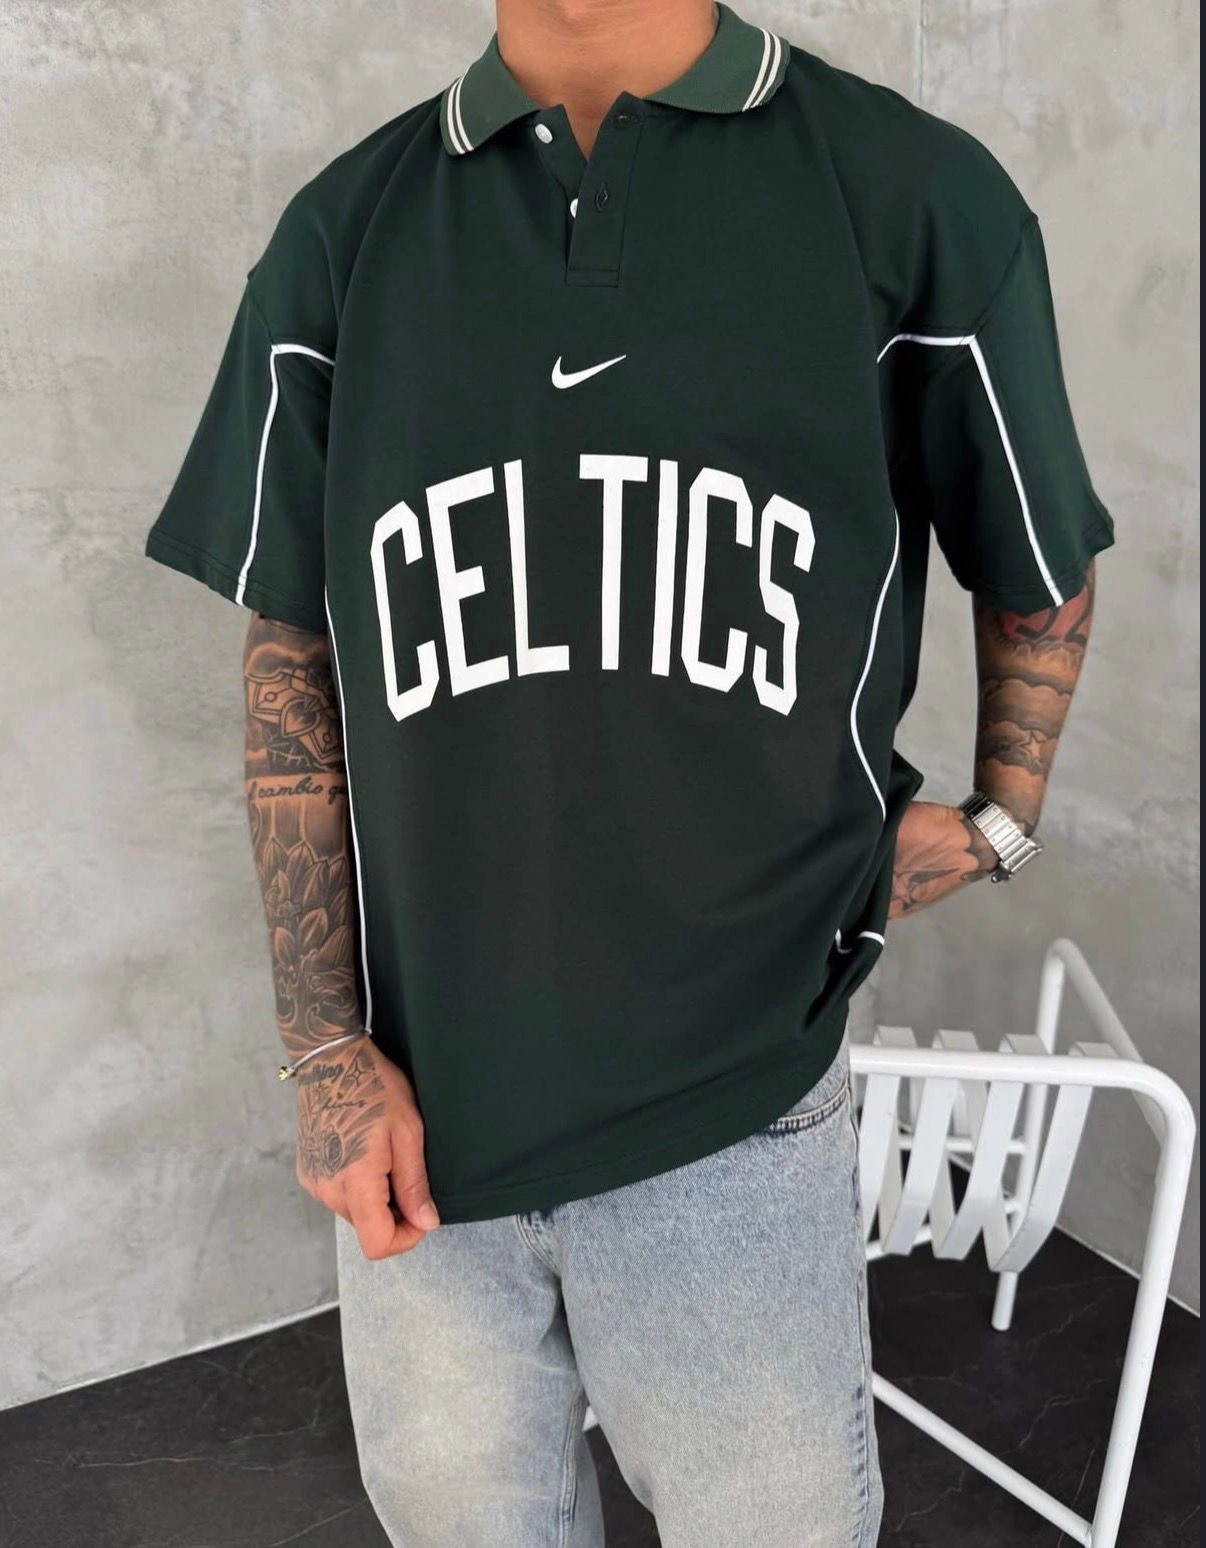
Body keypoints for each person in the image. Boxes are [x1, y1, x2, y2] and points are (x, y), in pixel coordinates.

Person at [143, 1, 1114, 1542]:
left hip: (733, 1088)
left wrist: (999, 820)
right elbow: (291, 665)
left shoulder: (906, 194)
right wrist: (324, 1048)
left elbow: (1035, 557)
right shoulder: (344, 233)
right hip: (425, 1095)